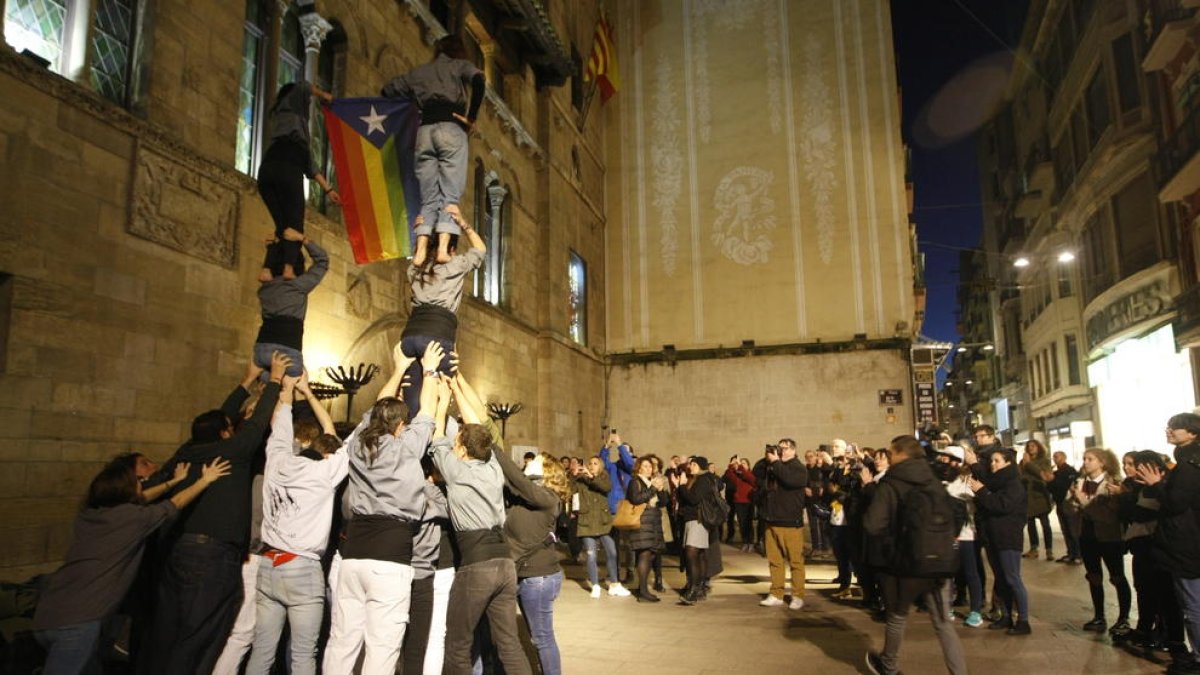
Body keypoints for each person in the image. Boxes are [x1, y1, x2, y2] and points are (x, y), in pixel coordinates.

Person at [140, 354, 287, 675]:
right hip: (214, 557)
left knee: (168, 631)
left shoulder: (188, 452)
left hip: (179, 551)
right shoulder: (233, 452)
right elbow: (259, 421)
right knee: (202, 635)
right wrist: (274, 380)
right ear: (226, 432)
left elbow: (214, 422)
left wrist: (246, 383)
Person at [33, 456, 230, 675]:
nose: (141, 483)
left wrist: (173, 482)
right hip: (78, 622)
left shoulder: (90, 514)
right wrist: (204, 480)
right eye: (136, 481)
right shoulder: (133, 518)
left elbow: (142, 497)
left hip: (47, 614)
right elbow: (175, 504)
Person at [321, 341, 444, 674]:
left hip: (352, 555)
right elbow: (429, 411)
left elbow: (376, 407)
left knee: (342, 641)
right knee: (382, 646)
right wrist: (430, 369)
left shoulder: (359, 442)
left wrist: (398, 367)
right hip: (390, 558)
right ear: (401, 427)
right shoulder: (407, 447)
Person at [431, 369, 533, 675]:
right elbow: (476, 424)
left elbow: (436, 434)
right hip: (505, 563)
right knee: (510, 643)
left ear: (460, 447)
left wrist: (442, 400)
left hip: (476, 564)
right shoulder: (493, 468)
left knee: (458, 644)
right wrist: (456, 385)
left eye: (457, 442)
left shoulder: (454, 470)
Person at [244, 373, 346, 675]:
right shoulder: (324, 474)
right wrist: (309, 394)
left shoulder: (276, 462)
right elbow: (337, 437)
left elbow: (280, 426)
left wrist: (286, 390)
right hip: (302, 566)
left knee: (261, 652)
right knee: (303, 655)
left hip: (268, 562)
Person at [863, 435, 968, 675]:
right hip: (940, 559)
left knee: (898, 616)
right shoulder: (931, 477)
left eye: (891, 452)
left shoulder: (892, 481)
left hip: (907, 561)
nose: (889, 456)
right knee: (943, 623)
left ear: (900, 453)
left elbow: (873, 524)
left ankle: (888, 666)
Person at [381, 35, 485, 265]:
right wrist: (472, 117)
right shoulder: (459, 66)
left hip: (424, 132)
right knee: (450, 193)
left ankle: (419, 252)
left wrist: (413, 103)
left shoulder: (419, 73)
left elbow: (387, 90)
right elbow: (479, 80)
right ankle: (442, 250)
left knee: (428, 197)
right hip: (451, 128)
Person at [399, 210, 485, 417]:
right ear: (452, 249)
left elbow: (419, 255)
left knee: (412, 398)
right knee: (438, 400)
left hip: (410, 336)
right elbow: (480, 249)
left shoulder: (414, 269)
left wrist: (419, 232)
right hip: (438, 335)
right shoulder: (455, 265)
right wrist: (464, 224)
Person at [256, 81, 341, 282]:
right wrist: (325, 95)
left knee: (283, 227)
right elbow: (303, 86)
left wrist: (328, 190)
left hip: (266, 172)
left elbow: (309, 164)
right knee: (294, 225)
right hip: (287, 169)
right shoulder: (292, 113)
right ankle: (287, 269)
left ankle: (267, 270)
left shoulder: (279, 123)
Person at [498, 449, 570, 675]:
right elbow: (513, 483)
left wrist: (490, 445)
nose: (528, 462)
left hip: (539, 577)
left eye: (536, 461)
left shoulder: (548, 498)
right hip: (523, 573)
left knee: (542, 637)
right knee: (535, 635)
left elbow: (516, 478)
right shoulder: (526, 495)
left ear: (546, 471)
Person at [1140, 413, 1200, 675]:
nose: (1169, 430)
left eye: (1175, 427)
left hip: (1186, 543)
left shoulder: (1189, 464)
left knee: (1193, 605)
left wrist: (1158, 484)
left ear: (1192, 433)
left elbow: (1176, 503)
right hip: (1189, 540)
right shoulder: (1187, 460)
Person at [1121, 450, 1186, 654]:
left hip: (1159, 547)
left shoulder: (1162, 487)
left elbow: (1142, 513)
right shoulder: (1139, 488)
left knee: (1166, 596)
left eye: (1137, 466)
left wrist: (1129, 500)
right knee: (1144, 590)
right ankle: (1145, 630)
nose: (1131, 469)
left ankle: (1173, 639)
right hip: (1142, 547)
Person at [1067, 447, 1131, 636]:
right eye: (1085, 459)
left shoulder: (1113, 484)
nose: (1086, 462)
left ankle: (1123, 618)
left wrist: (1084, 502)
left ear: (1102, 462)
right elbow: (1070, 509)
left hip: (1109, 537)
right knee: (1093, 576)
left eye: (1091, 459)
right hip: (1087, 536)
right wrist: (1073, 501)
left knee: (1117, 576)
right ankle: (1099, 616)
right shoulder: (1080, 482)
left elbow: (1108, 515)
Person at [967, 447, 1031, 635]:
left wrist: (982, 492)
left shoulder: (1013, 483)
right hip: (993, 536)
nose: (993, 464)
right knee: (1001, 579)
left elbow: (1001, 505)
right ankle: (1006, 616)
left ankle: (1023, 620)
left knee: (1012, 578)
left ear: (1008, 463)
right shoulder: (996, 482)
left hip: (1007, 537)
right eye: (992, 461)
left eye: (997, 461)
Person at [254, 234, 329, 381]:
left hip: (262, 350)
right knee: (293, 386)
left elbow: (271, 269)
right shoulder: (297, 285)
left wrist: (272, 250)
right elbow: (322, 261)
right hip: (288, 348)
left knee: (269, 387)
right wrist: (303, 239)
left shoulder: (265, 288)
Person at [758, 439, 809, 610]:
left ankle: (797, 595)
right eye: (779, 449)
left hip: (790, 522)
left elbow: (789, 481)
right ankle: (776, 593)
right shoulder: (774, 466)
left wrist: (776, 462)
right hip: (771, 521)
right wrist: (767, 458)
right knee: (775, 561)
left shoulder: (799, 468)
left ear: (793, 450)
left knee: (795, 562)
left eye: (785, 448)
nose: (781, 451)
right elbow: (756, 472)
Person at [573, 456, 629, 597]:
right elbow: (569, 490)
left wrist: (592, 477)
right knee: (591, 555)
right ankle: (595, 585)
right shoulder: (580, 479)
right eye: (590, 463)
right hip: (587, 522)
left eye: (595, 463)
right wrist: (572, 475)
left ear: (601, 467)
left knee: (612, 552)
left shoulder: (604, 478)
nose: (591, 465)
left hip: (604, 522)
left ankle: (614, 584)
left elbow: (606, 488)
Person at [943, 446, 984, 628]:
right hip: (947, 533)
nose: (947, 462)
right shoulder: (944, 479)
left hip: (967, 534)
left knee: (971, 572)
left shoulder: (969, 479)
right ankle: (947, 605)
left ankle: (976, 610)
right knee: (949, 573)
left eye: (951, 459)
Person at [675, 456, 721, 605]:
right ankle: (698, 588)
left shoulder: (703, 479)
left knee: (692, 552)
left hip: (698, 520)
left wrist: (681, 486)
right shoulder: (697, 479)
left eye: (693, 464)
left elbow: (694, 499)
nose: (690, 467)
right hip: (692, 520)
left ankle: (694, 590)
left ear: (701, 466)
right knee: (698, 555)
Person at [626, 456, 670, 602]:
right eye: (645, 466)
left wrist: (661, 490)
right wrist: (652, 489)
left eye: (650, 466)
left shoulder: (652, 482)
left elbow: (663, 502)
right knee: (644, 553)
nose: (648, 469)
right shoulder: (635, 482)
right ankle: (643, 591)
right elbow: (636, 499)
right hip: (642, 522)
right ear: (638, 467)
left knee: (649, 555)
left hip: (653, 522)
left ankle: (641, 588)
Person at [1019, 440, 1054, 560]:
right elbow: (1020, 475)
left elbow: (1044, 475)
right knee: (1030, 524)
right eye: (1028, 446)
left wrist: (1028, 464)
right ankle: (1034, 548)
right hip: (1028, 497)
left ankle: (1049, 550)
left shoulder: (1044, 461)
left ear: (1038, 447)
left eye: (1033, 446)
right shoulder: (1023, 462)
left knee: (1045, 524)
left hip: (1040, 496)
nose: (1030, 448)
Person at [1049, 451, 1081, 564]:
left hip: (1069, 503)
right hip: (1059, 503)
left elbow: (1066, 486)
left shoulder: (1069, 471)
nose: (1055, 459)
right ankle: (1071, 553)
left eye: (1057, 457)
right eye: (1054, 457)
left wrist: (1053, 480)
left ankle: (1078, 554)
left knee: (1073, 530)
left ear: (1064, 457)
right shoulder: (1055, 473)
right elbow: (1051, 489)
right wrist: (1050, 480)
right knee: (1065, 530)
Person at [725, 456, 757, 551]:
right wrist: (732, 465)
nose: (741, 465)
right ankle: (745, 541)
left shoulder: (750, 474)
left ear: (748, 465)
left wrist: (740, 466)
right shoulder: (738, 476)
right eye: (741, 463)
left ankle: (750, 542)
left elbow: (748, 477)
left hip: (748, 502)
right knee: (741, 523)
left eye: (744, 463)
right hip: (738, 502)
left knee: (748, 523)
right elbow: (728, 474)